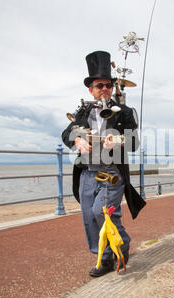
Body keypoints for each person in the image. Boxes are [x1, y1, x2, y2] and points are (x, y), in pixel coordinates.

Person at [62, 51, 146, 277]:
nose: (105, 89)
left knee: (103, 212)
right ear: (91, 89)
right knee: (89, 217)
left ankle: (121, 245)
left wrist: (118, 140)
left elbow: (135, 141)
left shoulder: (124, 112)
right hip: (87, 173)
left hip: (111, 173)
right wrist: (77, 139)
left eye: (108, 85)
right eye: (99, 86)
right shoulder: (83, 111)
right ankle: (103, 257)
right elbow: (66, 133)